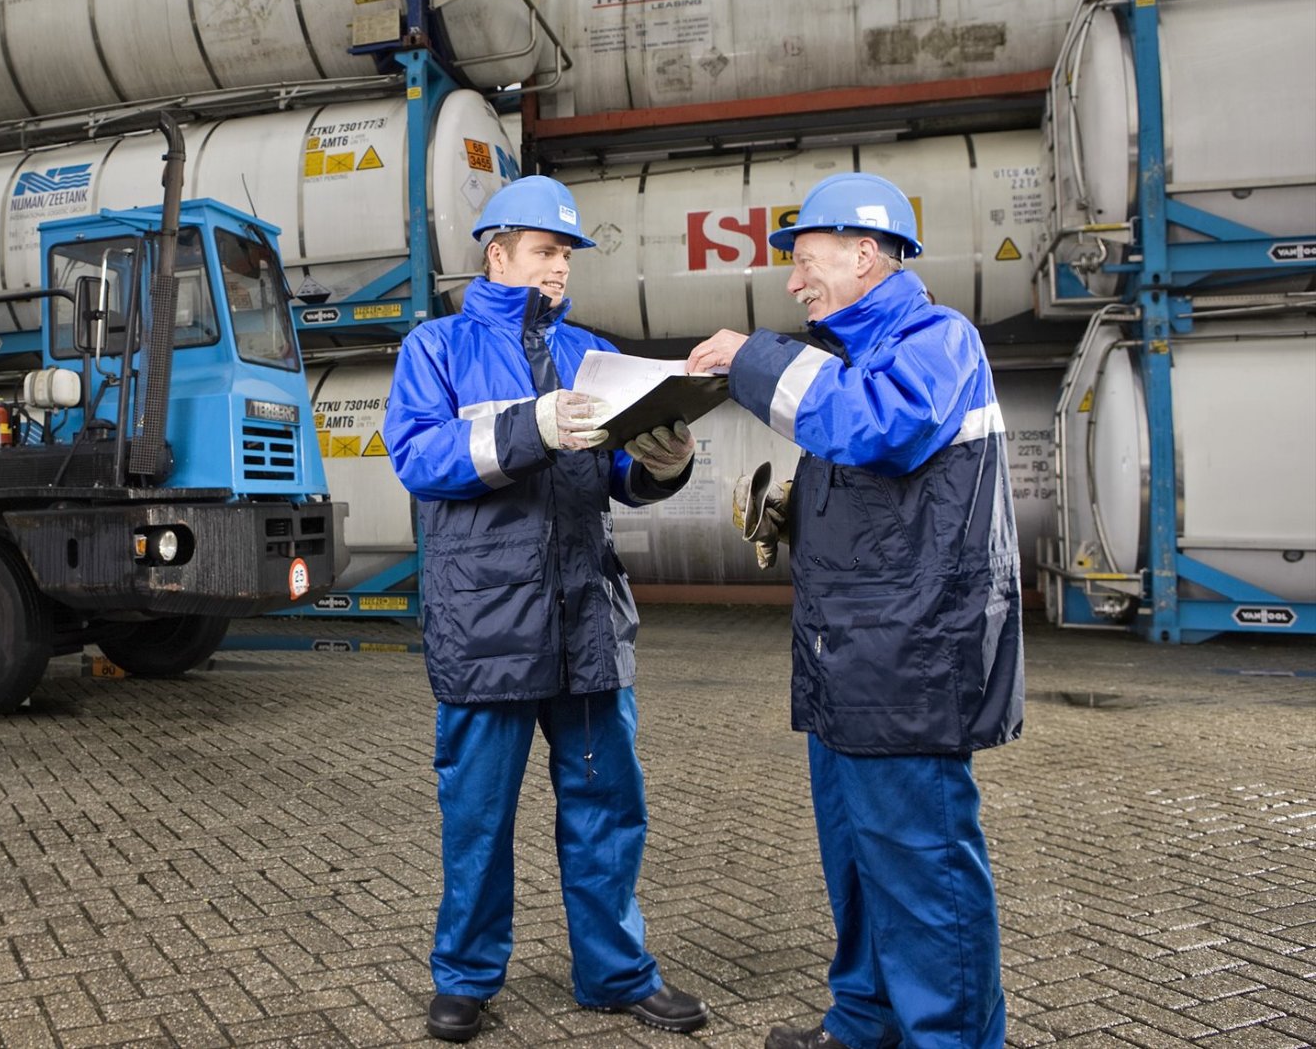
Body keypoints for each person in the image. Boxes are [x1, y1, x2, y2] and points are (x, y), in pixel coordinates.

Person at [686, 172, 1024, 1049]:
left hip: (911, 657)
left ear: (866, 255)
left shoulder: (934, 338)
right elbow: (888, 489)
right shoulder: (857, 359)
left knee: (922, 871)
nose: (795, 282)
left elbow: (879, 428)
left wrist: (750, 356)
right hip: (853, 658)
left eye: (807, 261)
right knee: (861, 859)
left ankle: (949, 1039)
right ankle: (866, 1021)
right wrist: (800, 509)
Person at [383, 174, 711, 1043]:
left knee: (607, 808)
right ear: (498, 254)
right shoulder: (437, 349)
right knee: (479, 818)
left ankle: (616, 973)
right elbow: (418, 457)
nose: (560, 267)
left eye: (567, 254)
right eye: (546, 250)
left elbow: (618, 481)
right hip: (486, 624)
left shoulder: (592, 353)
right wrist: (534, 425)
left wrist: (663, 461)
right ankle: (465, 977)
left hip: (586, 621)